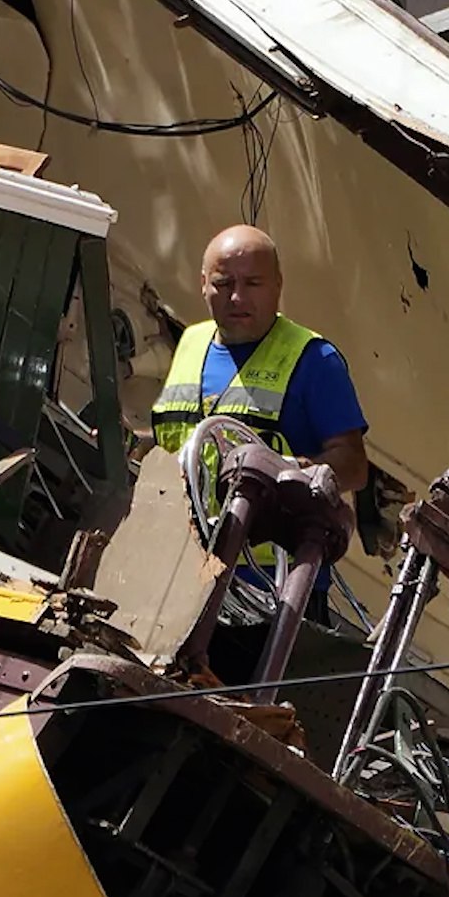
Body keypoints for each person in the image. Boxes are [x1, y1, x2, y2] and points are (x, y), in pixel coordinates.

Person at [150, 225, 370, 630]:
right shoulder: (192, 344)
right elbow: (180, 439)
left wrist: (292, 475)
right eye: (223, 283)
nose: (237, 297)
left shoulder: (314, 360)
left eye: (253, 283)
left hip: (273, 596)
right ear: (203, 285)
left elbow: (354, 464)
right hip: (180, 579)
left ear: (278, 286)